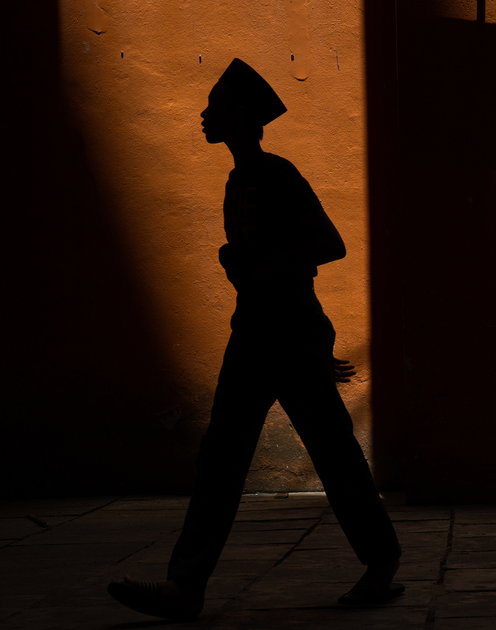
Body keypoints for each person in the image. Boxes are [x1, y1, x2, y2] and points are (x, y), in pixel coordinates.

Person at [108, 58, 402, 620]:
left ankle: (381, 562)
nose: (203, 115)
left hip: (289, 337)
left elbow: (329, 244)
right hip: (254, 335)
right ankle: (185, 587)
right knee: (220, 458)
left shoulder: (277, 174)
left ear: (238, 115)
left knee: (334, 454)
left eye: (214, 106)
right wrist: (244, 266)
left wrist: (261, 269)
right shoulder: (239, 178)